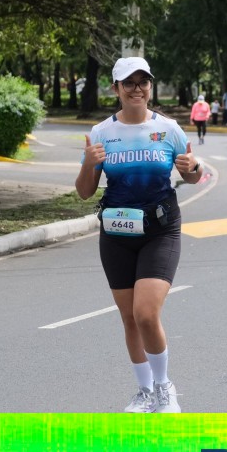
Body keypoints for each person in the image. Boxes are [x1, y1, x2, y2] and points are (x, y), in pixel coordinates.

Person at [75, 57, 202, 413]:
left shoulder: (168, 129)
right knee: (129, 318)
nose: (136, 88)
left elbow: (192, 174)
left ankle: (164, 388)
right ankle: (145, 392)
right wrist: (89, 164)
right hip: (116, 233)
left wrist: (194, 168)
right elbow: (85, 191)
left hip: (160, 230)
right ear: (115, 88)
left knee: (146, 313)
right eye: (128, 82)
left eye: (143, 81)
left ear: (150, 86)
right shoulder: (102, 133)